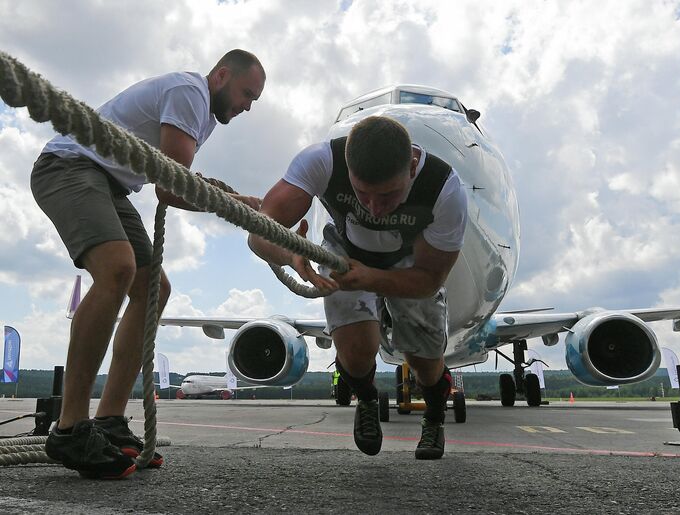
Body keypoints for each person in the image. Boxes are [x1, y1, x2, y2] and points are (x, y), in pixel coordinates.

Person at [32, 49, 266, 479]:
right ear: (221, 75)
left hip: (109, 183)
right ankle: (69, 427)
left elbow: (174, 178)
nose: (248, 106)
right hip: (69, 166)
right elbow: (171, 188)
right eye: (247, 93)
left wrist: (238, 199)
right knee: (118, 270)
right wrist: (235, 203)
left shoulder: (205, 115)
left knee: (153, 288)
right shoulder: (190, 92)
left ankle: (109, 420)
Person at [248, 116, 467, 460]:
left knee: (423, 360)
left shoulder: (444, 188)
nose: (375, 208)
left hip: (411, 265)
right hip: (345, 254)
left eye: (389, 195)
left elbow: (429, 280)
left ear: (412, 167)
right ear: (346, 165)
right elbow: (258, 232)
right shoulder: (321, 161)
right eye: (362, 193)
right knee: (354, 349)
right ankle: (365, 397)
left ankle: (435, 414)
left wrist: (371, 278)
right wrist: (290, 254)